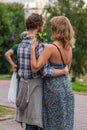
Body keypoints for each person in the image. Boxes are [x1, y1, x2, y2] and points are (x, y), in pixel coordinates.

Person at [16, 14, 69, 130]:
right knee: (34, 122)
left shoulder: (21, 44)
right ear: (39, 27)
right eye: (43, 26)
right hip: (35, 88)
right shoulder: (38, 45)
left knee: (27, 120)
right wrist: (63, 71)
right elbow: (45, 71)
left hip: (23, 86)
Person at [31, 16, 75, 130]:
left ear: (56, 29)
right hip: (67, 89)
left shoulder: (50, 48)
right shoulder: (69, 48)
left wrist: (32, 48)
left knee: (52, 124)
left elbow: (35, 67)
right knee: (65, 124)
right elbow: (67, 70)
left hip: (53, 90)